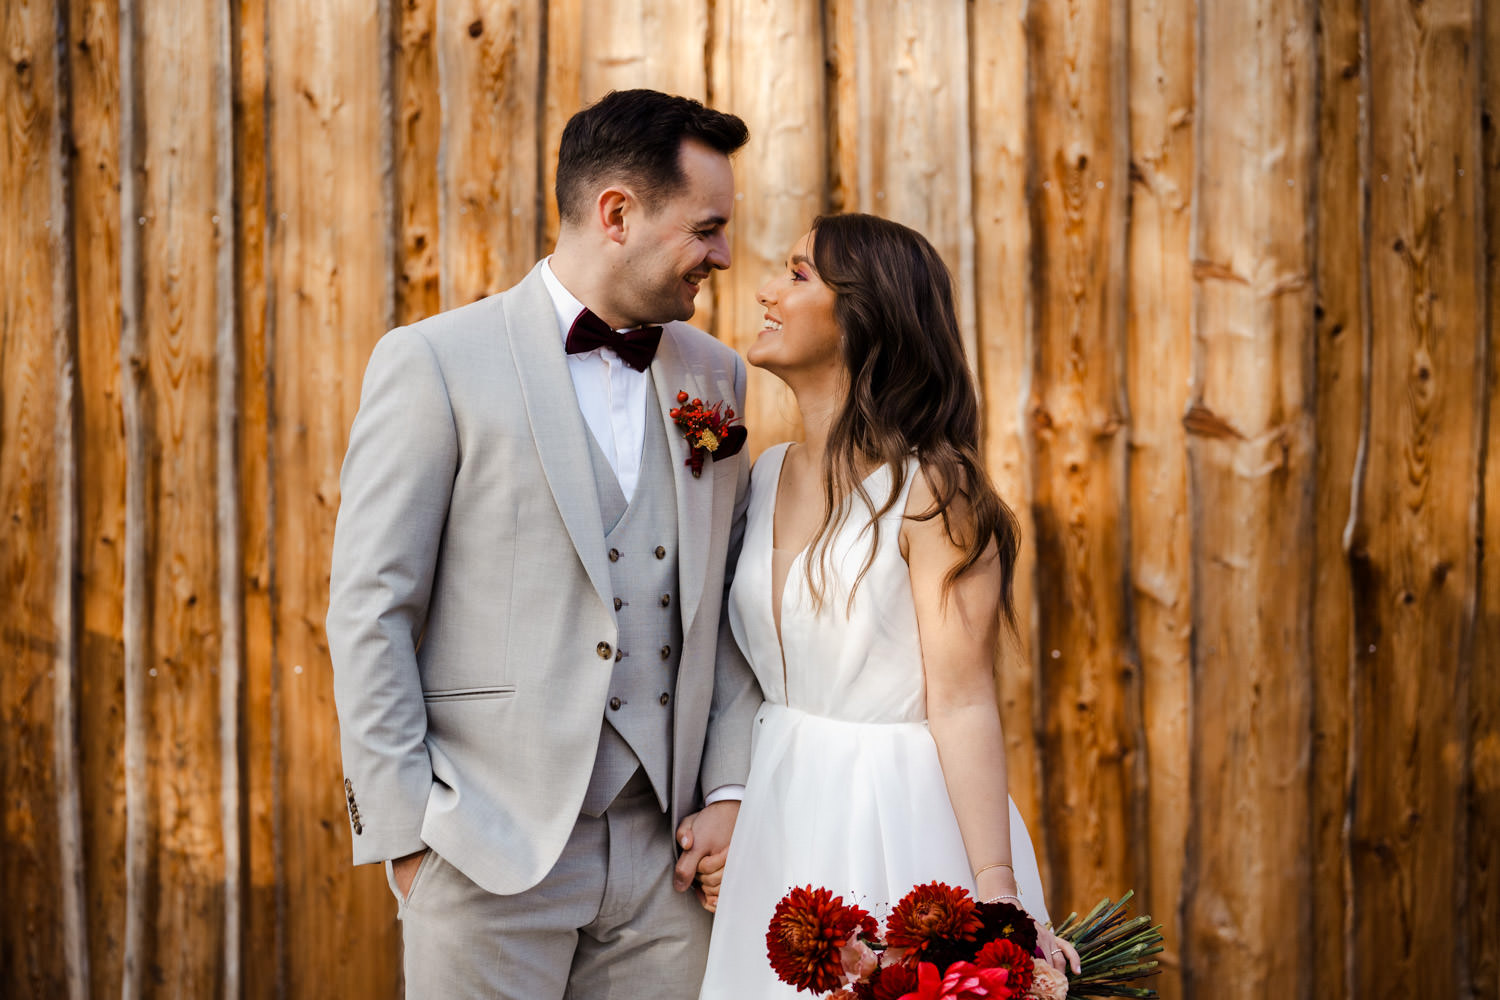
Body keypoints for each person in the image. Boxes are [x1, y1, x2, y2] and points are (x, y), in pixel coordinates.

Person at [326, 89, 763, 1000]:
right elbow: (372, 609)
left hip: (667, 868)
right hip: (484, 851)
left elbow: (726, 607)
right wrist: (406, 835)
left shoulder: (715, 376)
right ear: (617, 213)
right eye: (708, 228)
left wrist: (726, 792)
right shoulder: (435, 362)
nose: (724, 255)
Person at [694, 214, 1082, 997]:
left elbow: (964, 699)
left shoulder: (935, 492)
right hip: (779, 818)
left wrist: (996, 890)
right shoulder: (764, 475)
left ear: (862, 319)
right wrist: (730, 799)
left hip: (891, 817)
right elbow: (742, 671)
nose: (766, 290)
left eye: (799, 275)